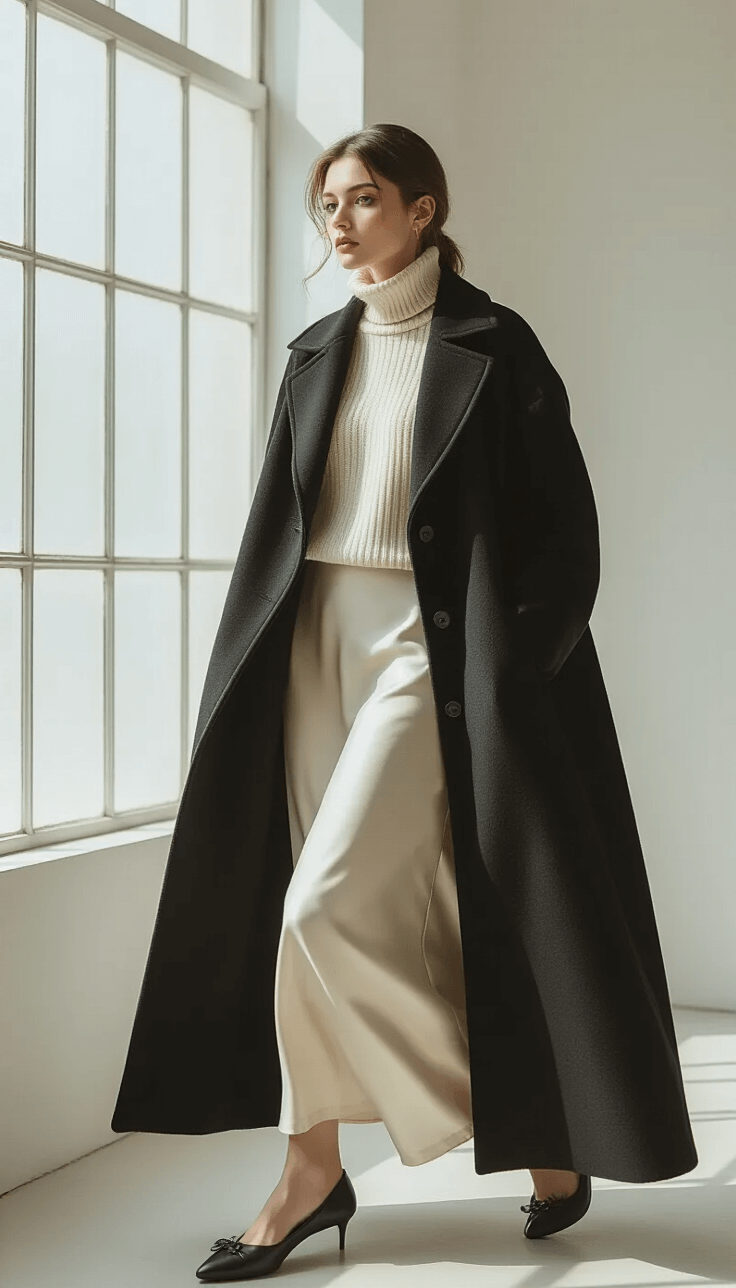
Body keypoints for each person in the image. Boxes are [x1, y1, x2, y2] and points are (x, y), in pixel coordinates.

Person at [109, 125, 697, 1282]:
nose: (338, 219)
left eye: (364, 198)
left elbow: (564, 536)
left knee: (320, 907)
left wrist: (510, 665)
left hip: (429, 650)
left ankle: (434, 1143)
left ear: (424, 210)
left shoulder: (493, 345)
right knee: (344, 905)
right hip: (313, 643)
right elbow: (283, 520)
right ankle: (337, 1161)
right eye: (327, 200)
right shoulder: (315, 352)